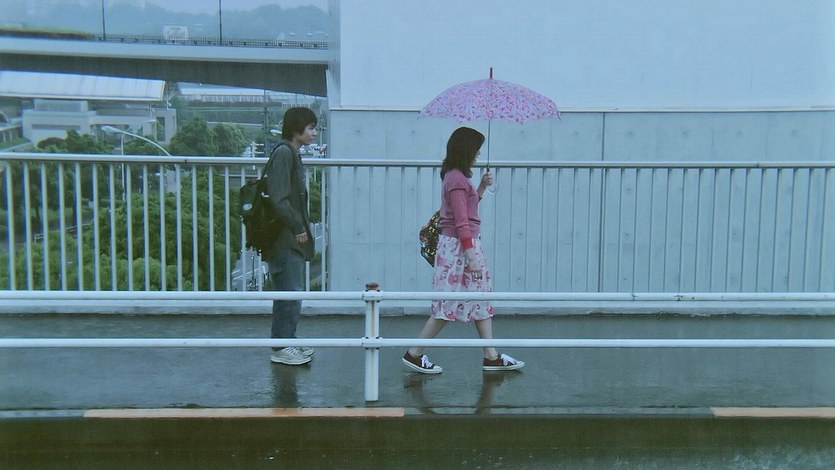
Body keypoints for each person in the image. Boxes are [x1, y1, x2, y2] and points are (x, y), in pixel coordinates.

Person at [403, 127, 524, 374]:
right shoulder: (457, 180)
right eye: (476, 148)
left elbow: (466, 209)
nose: (479, 153)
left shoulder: (456, 178)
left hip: (462, 246)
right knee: (447, 304)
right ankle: (414, 353)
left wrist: (481, 187)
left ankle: (491, 355)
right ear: (466, 149)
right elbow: (461, 221)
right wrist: (471, 256)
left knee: (480, 299)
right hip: (459, 249)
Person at [265, 107, 317, 365]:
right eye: (310, 128)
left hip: (286, 236)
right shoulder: (285, 154)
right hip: (284, 238)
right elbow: (279, 198)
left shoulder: (291, 153)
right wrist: (298, 227)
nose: (314, 133)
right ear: (297, 129)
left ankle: (287, 340)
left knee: (289, 291)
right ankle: (281, 346)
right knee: (290, 292)